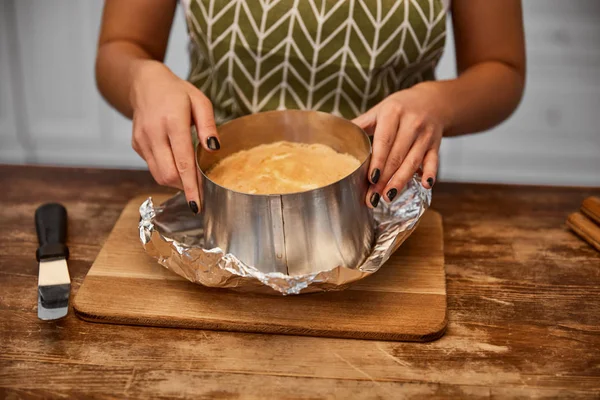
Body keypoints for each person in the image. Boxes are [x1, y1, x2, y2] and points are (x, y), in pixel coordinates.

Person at [96, 0, 525, 214]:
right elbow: (119, 48)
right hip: (218, 203)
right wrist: (142, 79)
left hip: (379, 199)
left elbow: (501, 68)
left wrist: (439, 102)